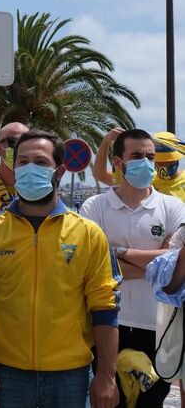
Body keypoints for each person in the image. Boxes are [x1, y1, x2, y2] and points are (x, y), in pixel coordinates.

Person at [0, 129, 120, 408]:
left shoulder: (89, 234)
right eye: (22, 162)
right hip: (6, 374)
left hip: (72, 377)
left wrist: (107, 376)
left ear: (58, 171)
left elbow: (105, 309)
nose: (28, 169)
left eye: (40, 162)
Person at [79, 128, 185, 407]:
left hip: (159, 326)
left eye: (150, 156)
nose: (147, 162)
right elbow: (92, 267)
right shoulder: (94, 206)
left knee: (151, 402)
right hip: (108, 325)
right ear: (118, 163)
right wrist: (156, 261)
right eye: (137, 156)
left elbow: (176, 267)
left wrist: (117, 252)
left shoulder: (173, 207)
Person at [94, 128, 185, 201]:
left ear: (176, 159)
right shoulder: (145, 178)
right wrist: (106, 142)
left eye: (168, 162)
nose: (164, 166)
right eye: (159, 163)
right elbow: (100, 174)